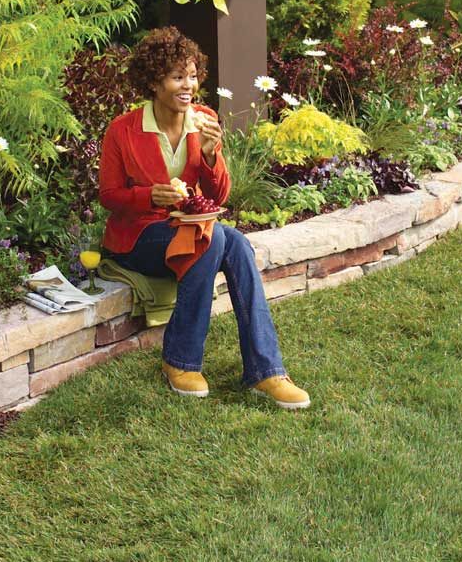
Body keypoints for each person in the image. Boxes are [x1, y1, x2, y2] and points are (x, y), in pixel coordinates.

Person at [98, 26, 310, 408]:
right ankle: (181, 359)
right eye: (178, 76)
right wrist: (150, 195)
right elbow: (109, 197)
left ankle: (267, 371)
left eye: (192, 76)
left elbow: (219, 196)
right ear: (154, 81)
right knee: (218, 239)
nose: (188, 86)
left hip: (191, 228)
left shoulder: (204, 119)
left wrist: (212, 155)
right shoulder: (123, 130)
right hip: (138, 238)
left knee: (236, 243)